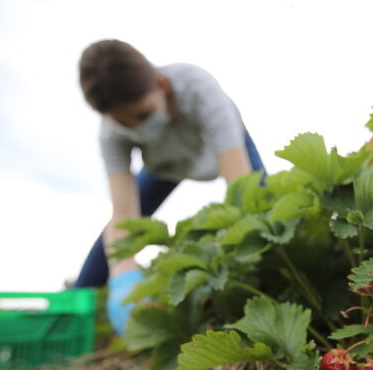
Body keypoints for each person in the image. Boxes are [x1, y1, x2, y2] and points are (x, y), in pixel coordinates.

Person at [72, 39, 265, 335]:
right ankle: (72, 306)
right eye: (125, 124)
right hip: (165, 167)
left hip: (222, 152)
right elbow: (124, 214)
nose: (137, 129)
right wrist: (124, 278)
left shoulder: (199, 89)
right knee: (115, 242)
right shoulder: (111, 132)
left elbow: (239, 189)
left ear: (161, 85)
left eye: (144, 115)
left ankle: (275, 290)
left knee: (263, 210)